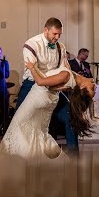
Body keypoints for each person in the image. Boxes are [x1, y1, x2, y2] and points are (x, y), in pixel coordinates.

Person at [0, 59, 99, 160]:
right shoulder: (71, 77)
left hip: (39, 96)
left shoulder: (66, 76)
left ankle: (23, 162)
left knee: (24, 128)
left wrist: (32, 67)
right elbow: (56, 81)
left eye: (92, 89)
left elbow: (41, 82)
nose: (95, 86)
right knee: (32, 131)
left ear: (82, 88)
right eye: (94, 89)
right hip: (43, 98)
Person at [15, 17, 79, 153]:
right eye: (54, 34)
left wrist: (64, 84)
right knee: (19, 123)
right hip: (31, 85)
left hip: (53, 87)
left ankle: (74, 157)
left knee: (71, 117)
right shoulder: (31, 44)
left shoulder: (61, 47)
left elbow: (63, 69)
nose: (57, 37)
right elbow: (35, 73)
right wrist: (56, 83)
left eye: (59, 34)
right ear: (46, 30)